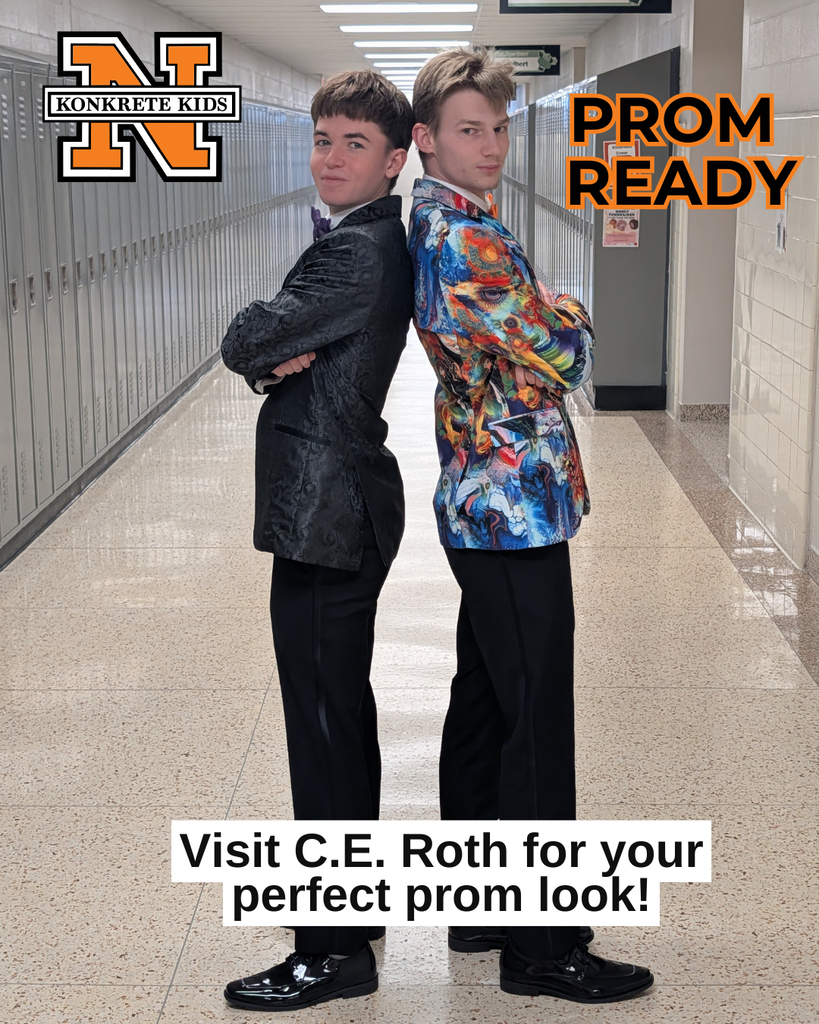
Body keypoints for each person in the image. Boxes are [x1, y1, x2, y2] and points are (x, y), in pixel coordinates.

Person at [408, 47, 654, 1003]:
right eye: (470, 129)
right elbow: (561, 354)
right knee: (537, 721)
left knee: (487, 701)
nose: (491, 145)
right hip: (510, 510)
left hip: (491, 497)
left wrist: (544, 326)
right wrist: (573, 312)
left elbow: (529, 350)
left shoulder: (450, 219)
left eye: (499, 128)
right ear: (425, 138)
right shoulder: (463, 238)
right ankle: (542, 947)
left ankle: (479, 906)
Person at [220, 70, 414, 1011]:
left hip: (326, 512)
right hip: (336, 502)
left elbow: (243, 337)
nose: (332, 159)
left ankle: (331, 952)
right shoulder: (361, 241)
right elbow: (279, 358)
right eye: (323, 139)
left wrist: (263, 345)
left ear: (395, 158)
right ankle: (352, 906)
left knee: (323, 730)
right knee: (341, 716)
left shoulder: (357, 255)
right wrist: (278, 362)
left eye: (354, 145)